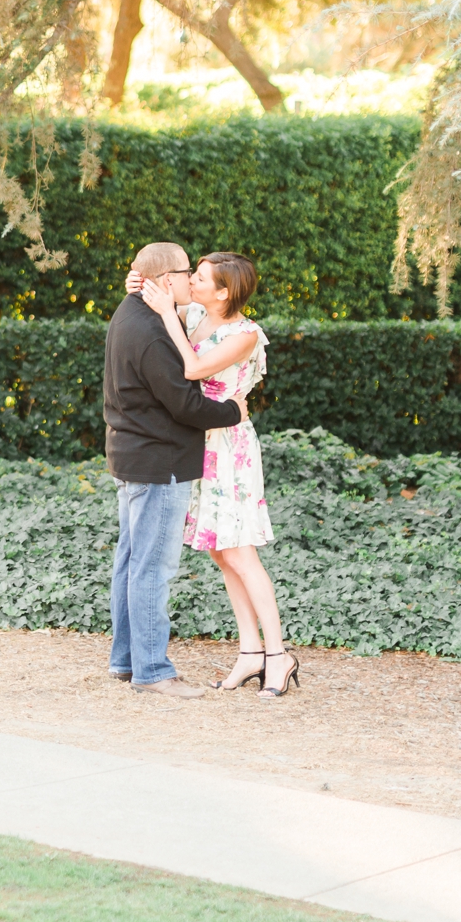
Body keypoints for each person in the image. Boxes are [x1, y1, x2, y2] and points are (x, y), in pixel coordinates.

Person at [138, 251, 300, 699]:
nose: (192, 282)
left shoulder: (244, 334)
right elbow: (158, 289)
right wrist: (148, 287)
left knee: (241, 553)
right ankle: (249, 653)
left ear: (224, 292)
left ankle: (278, 654)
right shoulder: (196, 315)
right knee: (221, 554)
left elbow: (192, 369)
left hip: (230, 447)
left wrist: (168, 313)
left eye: (202, 278)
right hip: (200, 442)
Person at [103, 242, 247, 700]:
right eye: (187, 273)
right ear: (167, 281)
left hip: (133, 456)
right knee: (151, 569)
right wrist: (233, 412)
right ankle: (152, 671)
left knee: (130, 562)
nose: (191, 280)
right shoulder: (151, 331)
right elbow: (184, 403)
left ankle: (126, 661)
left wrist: (140, 283)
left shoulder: (131, 313)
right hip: (158, 462)